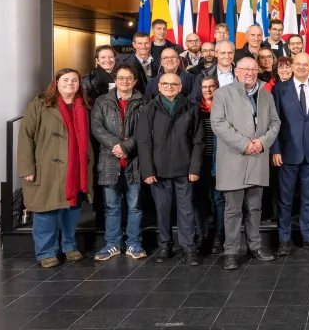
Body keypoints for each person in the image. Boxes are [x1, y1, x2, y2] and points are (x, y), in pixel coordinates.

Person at [18, 68, 94, 268]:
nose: (71, 84)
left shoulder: (82, 106)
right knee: (46, 211)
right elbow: (26, 137)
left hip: (76, 168)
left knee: (71, 210)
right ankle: (46, 252)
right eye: (66, 80)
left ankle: (69, 246)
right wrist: (27, 168)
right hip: (48, 168)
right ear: (56, 83)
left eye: (75, 80)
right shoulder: (40, 105)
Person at [212, 57, 281, 269]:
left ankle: (255, 246)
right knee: (232, 210)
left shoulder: (266, 95)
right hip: (234, 159)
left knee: (255, 207)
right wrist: (245, 144)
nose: (250, 73)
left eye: (253, 69)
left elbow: (275, 122)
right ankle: (231, 252)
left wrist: (262, 143)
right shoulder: (222, 94)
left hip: (257, 157)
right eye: (245, 69)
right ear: (236, 71)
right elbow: (218, 123)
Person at [136, 72, 204, 265]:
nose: (169, 87)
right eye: (165, 84)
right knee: (162, 209)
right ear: (159, 86)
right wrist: (147, 171)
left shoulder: (192, 107)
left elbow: (199, 141)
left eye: (173, 84)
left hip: (185, 169)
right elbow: (144, 142)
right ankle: (165, 245)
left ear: (180, 86)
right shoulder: (148, 109)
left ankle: (188, 248)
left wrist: (195, 168)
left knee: (187, 211)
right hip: (158, 170)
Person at [272, 53, 309, 255]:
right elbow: (274, 122)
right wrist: (275, 149)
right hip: (287, 153)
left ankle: (308, 237)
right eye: (299, 64)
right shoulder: (279, 89)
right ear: (292, 66)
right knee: (285, 199)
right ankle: (284, 241)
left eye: (306, 64)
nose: (302, 67)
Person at [91, 64, 146, 261]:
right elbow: (96, 127)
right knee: (111, 207)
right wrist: (117, 145)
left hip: (135, 161)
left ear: (135, 81)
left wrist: (127, 147)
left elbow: (145, 129)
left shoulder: (144, 101)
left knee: (135, 207)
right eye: (121, 78)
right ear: (116, 80)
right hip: (109, 160)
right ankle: (112, 244)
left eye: (129, 78)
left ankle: (134, 243)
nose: (125, 81)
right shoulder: (101, 101)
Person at [193, 76, 226, 255]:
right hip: (200, 161)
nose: (208, 90)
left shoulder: (224, 108)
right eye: (204, 87)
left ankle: (218, 237)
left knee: (219, 199)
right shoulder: (195, 108)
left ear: (217, 88)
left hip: (219, 159)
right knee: (200, 199)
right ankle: (202, 234)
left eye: (211, 86)